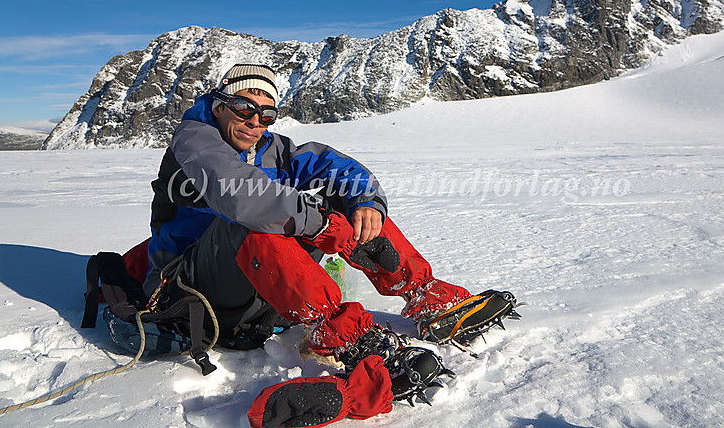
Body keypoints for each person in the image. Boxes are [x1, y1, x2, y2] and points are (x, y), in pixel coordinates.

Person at [140, 64, 518, 428]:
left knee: (346, 204)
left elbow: (334, 167)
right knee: (250, 221)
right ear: (221, 105)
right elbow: (239, 198)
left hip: (256, 285)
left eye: (267, 114)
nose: (255, 122)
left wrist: (365, 202)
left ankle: (425, 294)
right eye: (244, 109)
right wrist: (321, 226)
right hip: (193, 290)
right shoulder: (194, 139)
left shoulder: (275, 150)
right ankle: (351, 341)